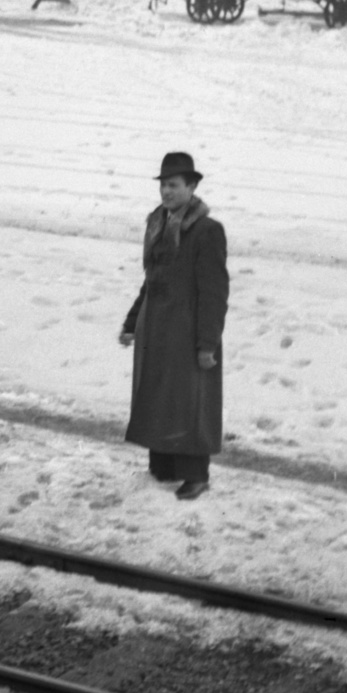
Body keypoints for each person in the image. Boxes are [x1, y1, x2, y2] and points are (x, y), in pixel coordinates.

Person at [118, 152, 230, 500]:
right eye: (163, 185)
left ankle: (196, 475)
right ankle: (163, 467)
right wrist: (133, 321)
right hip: (158, 328)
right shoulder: (157, 223)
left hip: (188, 330)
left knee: (190, 401)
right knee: (159, 397)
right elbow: (152, 279)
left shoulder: (207, 231)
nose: (167, 192)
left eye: (174, 185)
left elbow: (214, 292)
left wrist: (207, 344)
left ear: (192, 187)